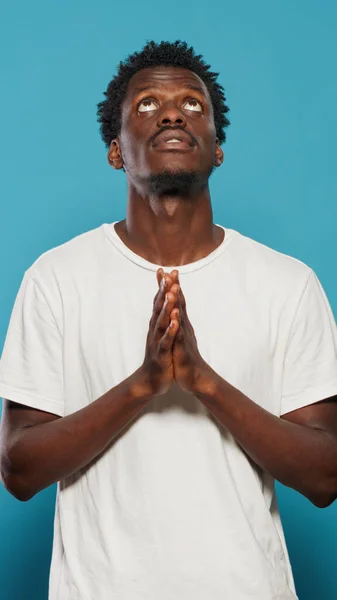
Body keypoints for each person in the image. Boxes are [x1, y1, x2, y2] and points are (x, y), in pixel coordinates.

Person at [0, 40, 337, 600]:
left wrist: (204, 383)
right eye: (148, 105)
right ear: (116, 150)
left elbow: (326, 476)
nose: (174, 112)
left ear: (217, 149)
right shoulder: (56, 278)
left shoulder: (287, 284)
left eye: (192, 104)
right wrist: (142, 385)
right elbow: (18, 468)